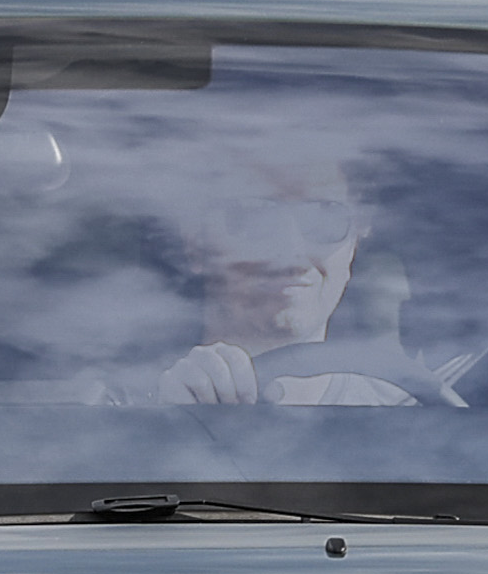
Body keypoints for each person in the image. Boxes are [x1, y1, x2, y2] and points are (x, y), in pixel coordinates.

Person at [79, 157, 419, 409]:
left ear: (356, 240)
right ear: (195, 241)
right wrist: (166, 428)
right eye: (252, 217)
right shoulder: (116, 409)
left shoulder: (409, 415)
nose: (291, 253)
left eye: (324, 216)